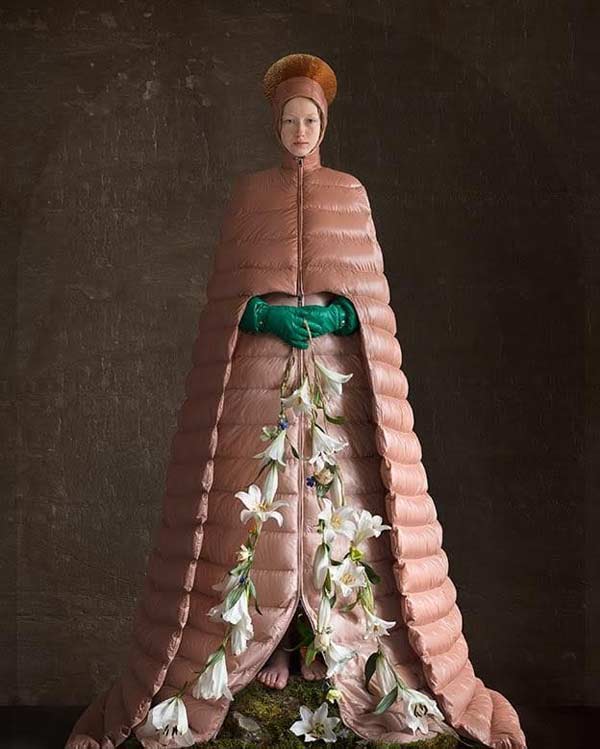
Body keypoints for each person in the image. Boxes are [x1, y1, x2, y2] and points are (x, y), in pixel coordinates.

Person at [65, 53, 527, 749]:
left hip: (336, 375)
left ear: (324, 124)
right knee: (262, 508)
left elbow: (370, 297)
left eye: (309, 119)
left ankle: (323, 646)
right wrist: (262, 315)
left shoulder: (349, 193)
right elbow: (225, 300)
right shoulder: (250, 197)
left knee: (337, 507)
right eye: (289, 120)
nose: (300, 130)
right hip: (261, 374)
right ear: (275, 126)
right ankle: (268, 650)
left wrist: (340, 317)